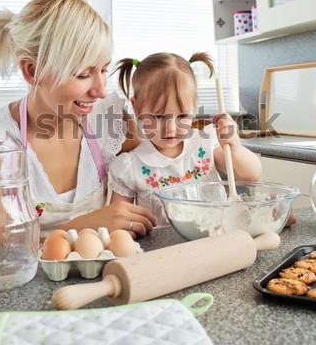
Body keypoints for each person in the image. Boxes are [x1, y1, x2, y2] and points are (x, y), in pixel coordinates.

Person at [0, 0, 156, 240]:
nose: (101, 91)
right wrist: (79, 227)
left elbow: (167, 159)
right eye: (82, 74)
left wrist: (225, 149)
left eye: (104, 69)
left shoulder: (108, 120)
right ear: (32, 71)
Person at [109, 52, 263, 227]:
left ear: (194, 107)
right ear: (136, 109)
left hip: (216, 241)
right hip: (166, 250)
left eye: (182, 115)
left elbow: (252, 174)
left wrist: (235, 148)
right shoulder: (130, 166)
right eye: (159, 116)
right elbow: (118, 219)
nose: (171, 128)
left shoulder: (205, 145)